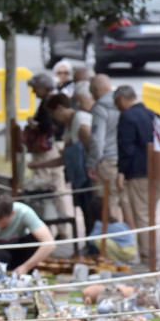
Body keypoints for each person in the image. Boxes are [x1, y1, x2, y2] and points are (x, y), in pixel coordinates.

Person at [31, 93, 94, 236]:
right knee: (84, 210)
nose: (53, 118)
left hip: (88, 175)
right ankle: (90, 244)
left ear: (60, 108)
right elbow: (63, 158)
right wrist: (39, 165)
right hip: (81, 177)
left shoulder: (80, 120)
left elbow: (90, 145)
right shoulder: (69, 126)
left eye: (53, 114)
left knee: (91, 211)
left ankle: (94, 246)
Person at [114, 85, 160, 261]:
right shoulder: (152, 114)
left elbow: (127, 147)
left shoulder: (128, 117)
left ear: (121, 100)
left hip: (139, 171)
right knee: (150, 212)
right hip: (157, 169)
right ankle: (150, 252)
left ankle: (148, 254)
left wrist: (121, 172)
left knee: (142, 214)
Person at [26, 73, 73, 238]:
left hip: (46, 150)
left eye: (34, 88)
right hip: (56, 146)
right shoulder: (55, 100)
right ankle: (64, 228)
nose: (33, 92)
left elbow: (46, 125)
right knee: (59, 188)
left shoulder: (49, 103)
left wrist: (33, 124)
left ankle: (50, 229)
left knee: (45, 189)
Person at [87, 74, 124, 222]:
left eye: (92, 92)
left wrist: (91, 163)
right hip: (123, 160)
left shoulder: (100, 108)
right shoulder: (122, 102)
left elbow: (97, 140)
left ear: (96, 89)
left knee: (109, 204)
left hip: (106, 161)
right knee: (124, 203)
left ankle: (113, 241)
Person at [0, 195, 55, 275]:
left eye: (3, 223)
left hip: (19, 250)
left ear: (12, 214)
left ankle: (26, 273)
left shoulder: (24, 212)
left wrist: (26, 267)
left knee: (34, 239)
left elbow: (49, 243)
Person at [86, 196, 137, 263]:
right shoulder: (114, 221)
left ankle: (114, 262)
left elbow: (91, 240)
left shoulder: (100, 224)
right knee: (103, 240)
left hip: (126, 251)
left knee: (99, 240)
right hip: (132, 248)